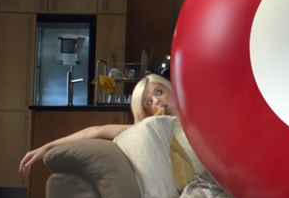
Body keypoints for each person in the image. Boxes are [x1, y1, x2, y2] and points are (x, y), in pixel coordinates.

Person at [18, 73, 177, 176]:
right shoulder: (148, 128)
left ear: (171, 89)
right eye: (148, 102)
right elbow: (97, 131)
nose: (157, 100)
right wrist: (47, 147)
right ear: (147, 112)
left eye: (159, 92)